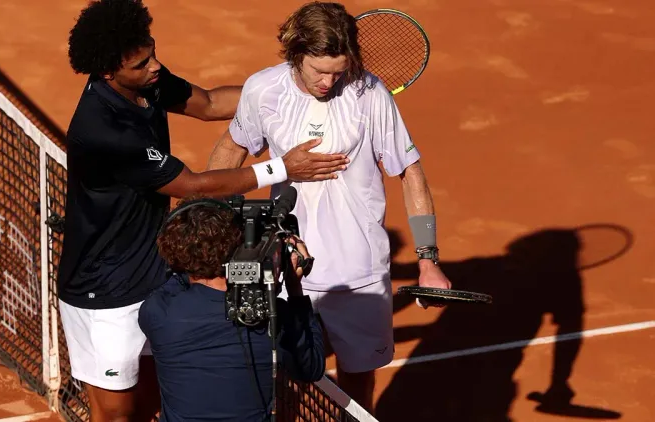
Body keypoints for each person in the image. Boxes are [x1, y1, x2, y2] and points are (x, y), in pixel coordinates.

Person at [56, 1, 348, 421]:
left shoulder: (145, 83)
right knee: (117, 413)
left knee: (158, 396)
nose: (155, 66)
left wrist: (285, 85)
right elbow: (192, 185)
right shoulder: (103, 130)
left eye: (153, 53)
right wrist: (282, 167)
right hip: (104, 290)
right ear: (108, 72)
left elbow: (210, 103)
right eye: (142, 64)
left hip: (154, 270)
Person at [206, 1, 452, 414]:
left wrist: (428, 259)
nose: (328, 82)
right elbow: (232, 147)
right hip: (286, 266)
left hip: (360, 271)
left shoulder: (369, 93)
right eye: (319, 71)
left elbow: (410, 173)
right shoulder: (263, 89)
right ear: (295, 53)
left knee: (359, 378)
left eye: (338, 71)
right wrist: (207, 222)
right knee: (280, 376)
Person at [138, 197, 325, 421]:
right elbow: (311, 368)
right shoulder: (273, 314)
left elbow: (175, 277)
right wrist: (294, 288)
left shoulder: (157, 312)